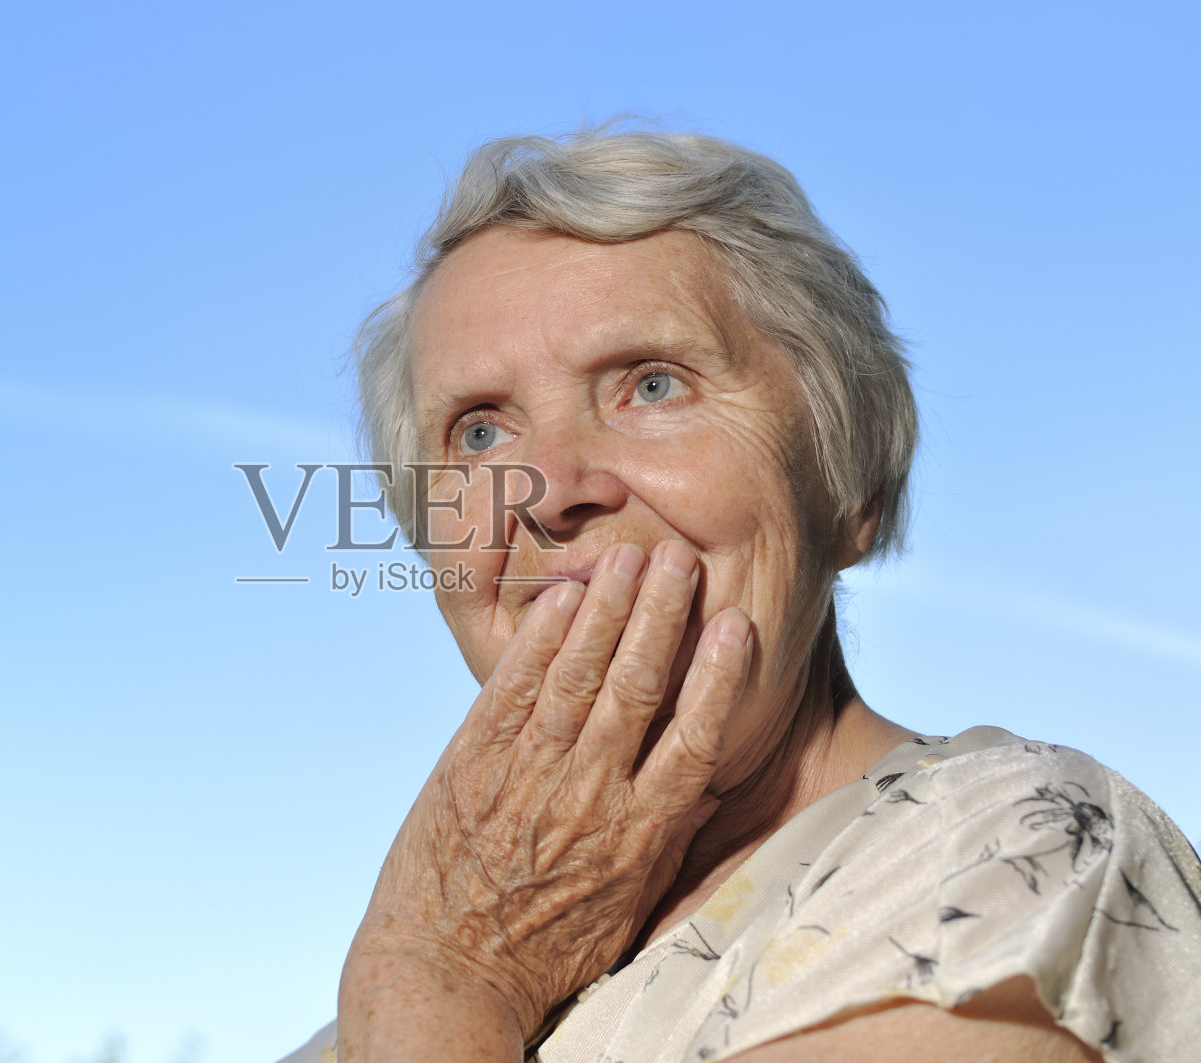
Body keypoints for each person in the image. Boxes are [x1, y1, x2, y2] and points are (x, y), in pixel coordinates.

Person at [279, 130, 1201, 1063]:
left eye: (651, 383)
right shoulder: (363, 1024)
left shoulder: (1020, 849)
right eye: (479, 434)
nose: (550, 486)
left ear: (851, 486)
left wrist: (440, 980)